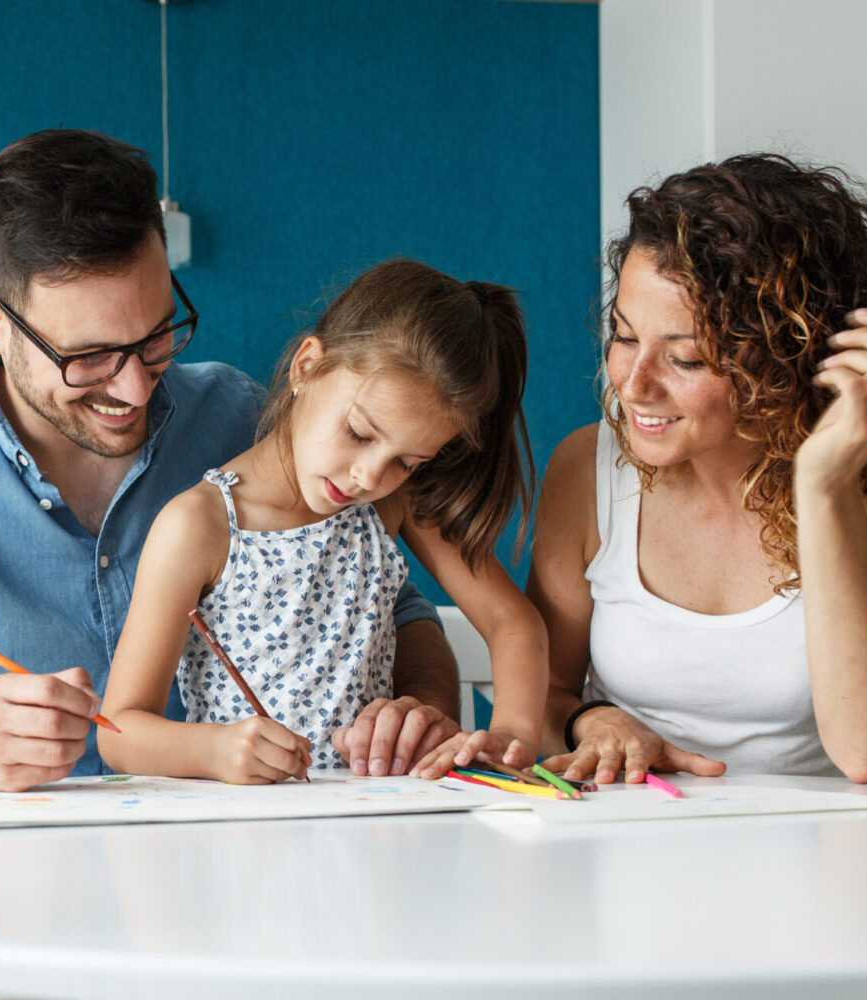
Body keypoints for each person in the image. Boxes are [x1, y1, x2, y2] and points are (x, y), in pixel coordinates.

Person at [0, 130, 465, 798]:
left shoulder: (237, 418)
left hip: (230, 859)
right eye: (88, 357)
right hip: (10, 875)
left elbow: (394, 601)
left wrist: (420, 706)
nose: (136, 389)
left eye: (156, 337)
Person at [526, 153, 867, 785]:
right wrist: (588, 722)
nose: (634, 384)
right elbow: (540, 694)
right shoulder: (588, 468)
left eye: (688, 359)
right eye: (624, 337)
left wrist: (826, 485)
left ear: (788, 360)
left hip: (826, 852)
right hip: (632, 840)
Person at [98, 259, 548, 784]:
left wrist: (513, 736)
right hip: (245, 832)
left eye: (407, 462)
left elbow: (512, 621)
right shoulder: (200, 525)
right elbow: (118, 730)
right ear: (307, 366)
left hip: (374, 821)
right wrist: (214, 750)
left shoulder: (392, 502)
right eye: (360, 432)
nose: (368, 476)